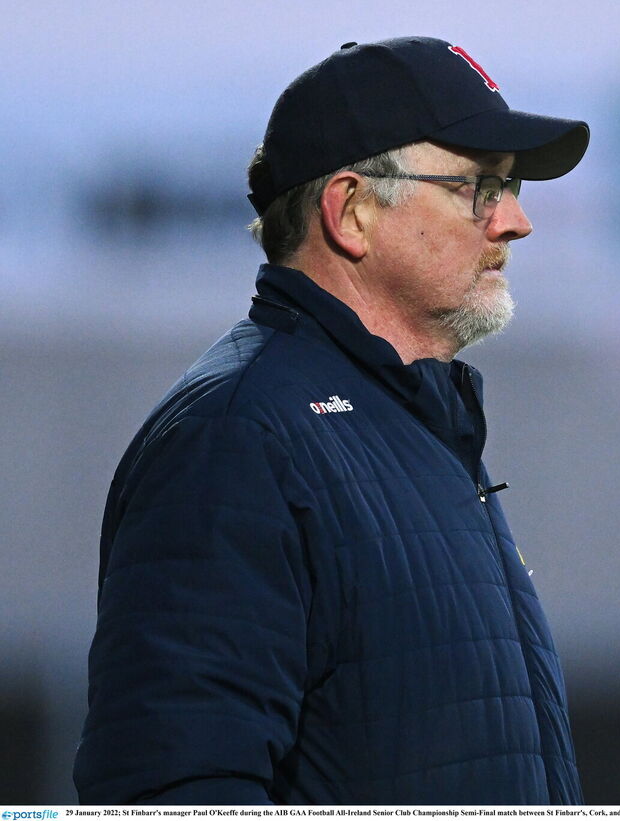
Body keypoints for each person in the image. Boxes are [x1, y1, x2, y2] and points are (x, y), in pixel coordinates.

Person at [73, 37, 589, 805]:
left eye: (509, 186)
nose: (515, 221)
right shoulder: (237, 438)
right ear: (351, 211)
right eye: (480, 186)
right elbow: (174, 786)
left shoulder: (418, 428)